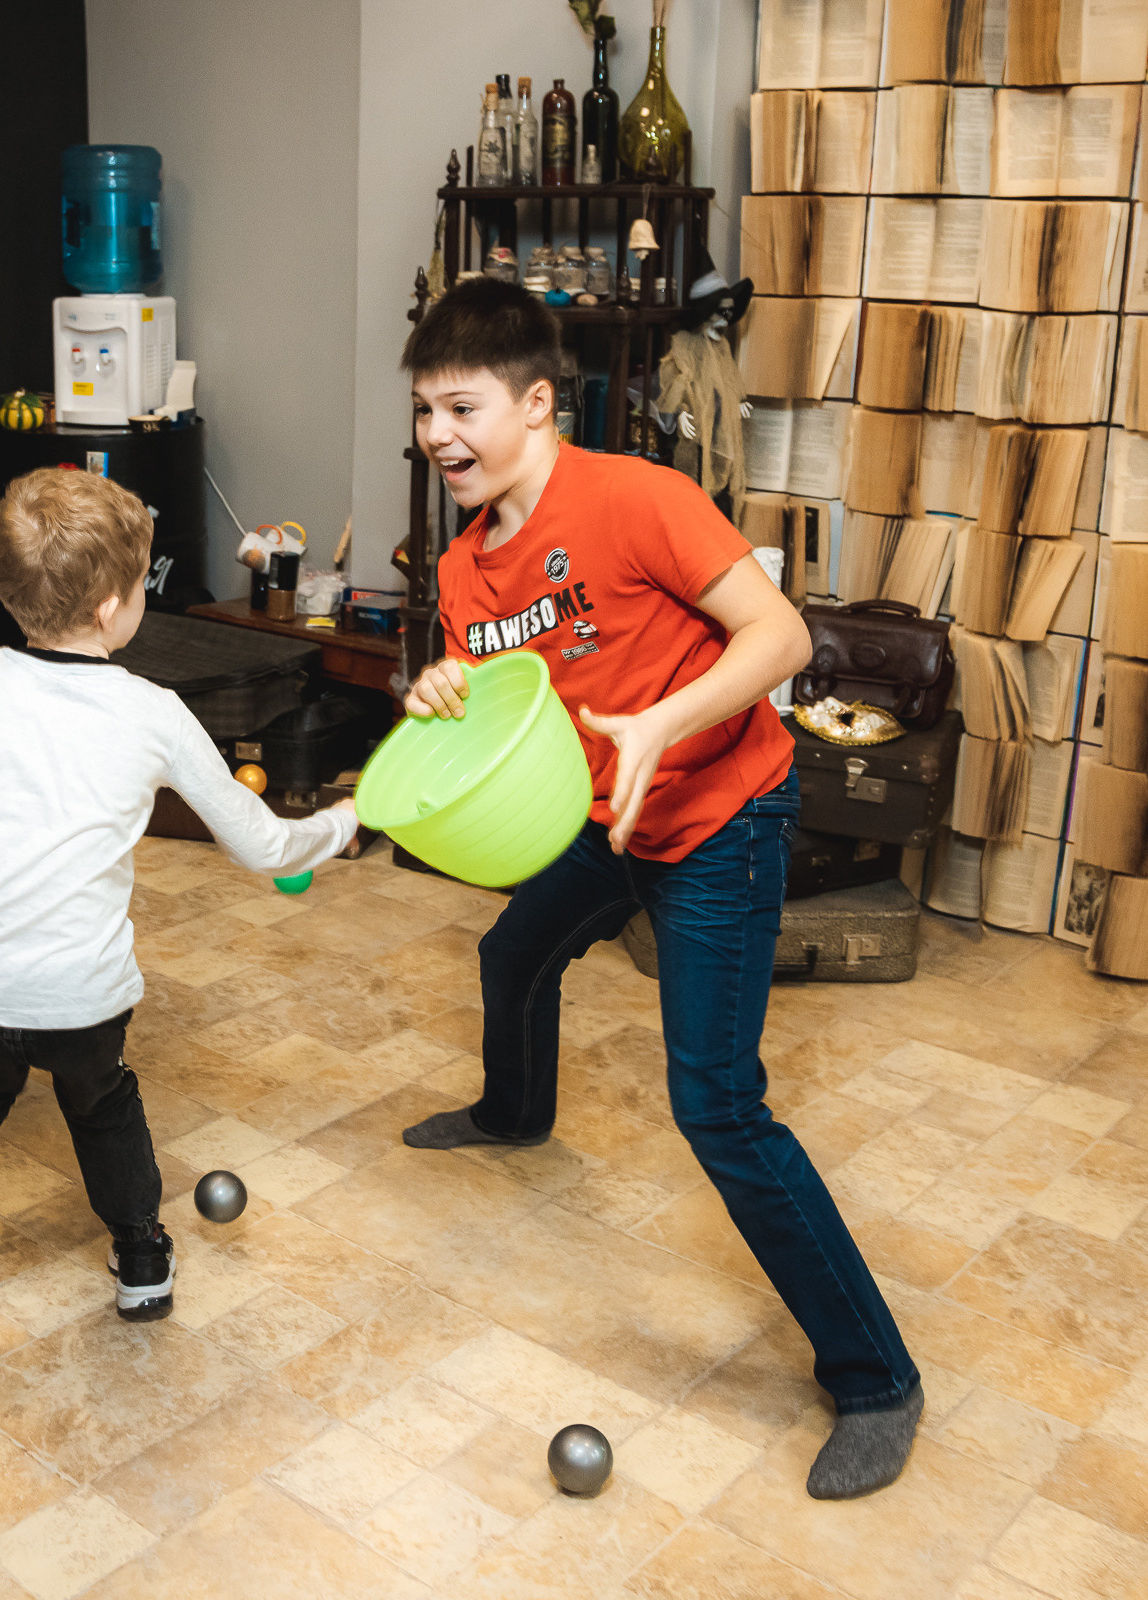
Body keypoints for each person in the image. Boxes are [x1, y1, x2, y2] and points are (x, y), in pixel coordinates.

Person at [394, 277, 924, 1499]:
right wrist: (440, 690)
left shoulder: (637, 498)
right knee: (512, 953)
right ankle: (516, 1111)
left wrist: (659, 725)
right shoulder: (469, 565)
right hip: (609, 816)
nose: (439, 436)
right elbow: (507, 684)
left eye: (461, 407)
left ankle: (875, 1376)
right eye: (425, 411)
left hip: (720, 814)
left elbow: (784, 639)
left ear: (537, 403)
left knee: (719, 1107)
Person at [0, 469, 358, 1381]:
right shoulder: (152, 712)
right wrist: (344, 821)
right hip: (83, 995)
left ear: (5, 588)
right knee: (102, 1100)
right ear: (117, 607)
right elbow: (266, 846)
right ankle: (142, 1257)